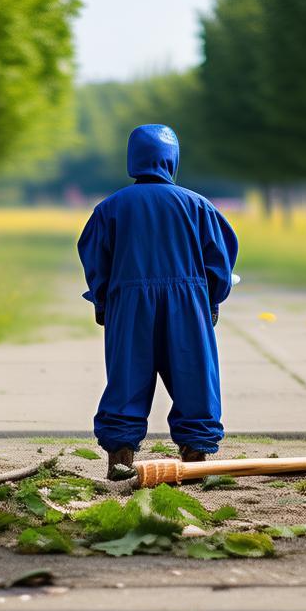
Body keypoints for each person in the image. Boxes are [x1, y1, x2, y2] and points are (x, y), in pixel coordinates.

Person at [77, 124, 238, 473]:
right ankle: (195, 458)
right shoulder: (198, 206)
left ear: (132, 159)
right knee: (194, 376)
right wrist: (211, 300)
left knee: (127, 378)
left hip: (130, 304)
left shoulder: (110, 208)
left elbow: (94, 258)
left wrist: (104, 302)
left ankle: (120, 459)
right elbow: (220, 262)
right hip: (188, 303)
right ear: (173, 159)